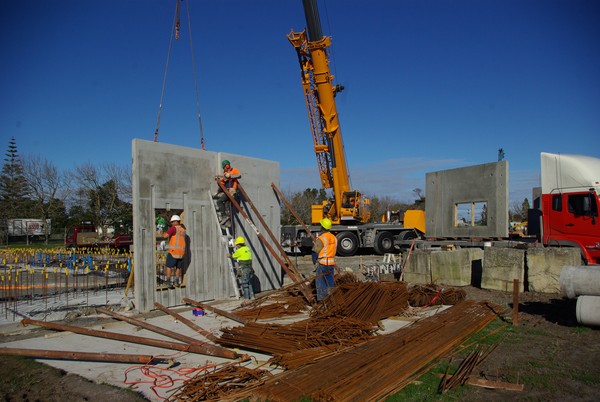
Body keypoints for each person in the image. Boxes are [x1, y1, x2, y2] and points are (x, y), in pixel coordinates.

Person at [312, 218, 337, 301]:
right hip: (331, 264)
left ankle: (322, 302)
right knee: (330, 283)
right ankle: (331, 300)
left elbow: (315, 251)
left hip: (322, 263)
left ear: (322, 227)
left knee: (320, 283)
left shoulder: (322, 238)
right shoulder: (334, 238)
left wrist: (314, 261)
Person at [213, 159, 242, 226]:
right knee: (226, 204)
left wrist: (230, 176)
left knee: (219, 202)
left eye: (225, 167)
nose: (225, 169)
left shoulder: (233, 170)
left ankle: (224, 217)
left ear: (227, 166)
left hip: (232, 190)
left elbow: (239, 175)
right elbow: (222, 183)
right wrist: (220, 179)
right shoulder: (225, 173)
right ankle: (227, 221)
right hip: (227, 191)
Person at [162, 214, 186, 287]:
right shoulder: (182, 229)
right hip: (181, 253)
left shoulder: (173, 228)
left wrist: (162, 233)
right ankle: (176, 282)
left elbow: (165, 236)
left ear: (176, 221)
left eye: (172, 222)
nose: (172, 223)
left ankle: (168, 282)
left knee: (168, 266)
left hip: (173, 252)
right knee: (178, 267)